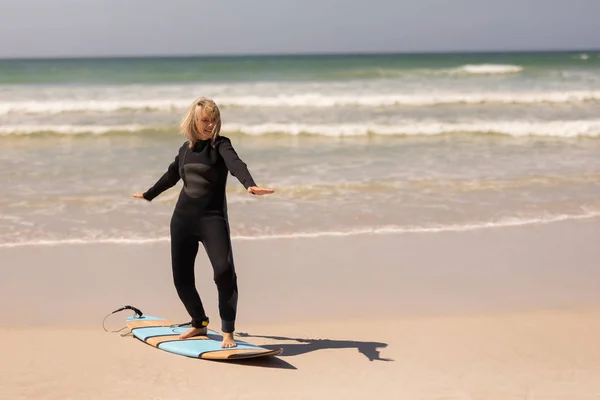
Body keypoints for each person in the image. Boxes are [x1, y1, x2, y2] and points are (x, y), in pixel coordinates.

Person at [132, 97, 274, 348]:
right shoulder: (185, 150)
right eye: (204, 120)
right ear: (193, 121)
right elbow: (171, 176)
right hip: (182, 219)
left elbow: (236, 165)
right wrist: (149, 194)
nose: (209, 125)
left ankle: (228, 330)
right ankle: (199, 323)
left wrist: (249, 184)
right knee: (182, 278)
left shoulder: (221, 145)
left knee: (224, 272)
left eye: (213, 120)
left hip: (212, 219)